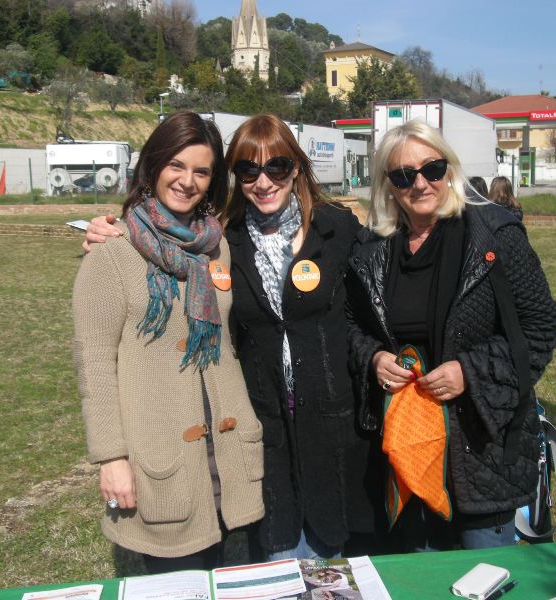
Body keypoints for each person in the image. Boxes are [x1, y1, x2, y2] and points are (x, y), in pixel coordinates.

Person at [83, 114, 376, 561]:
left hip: (323, 429)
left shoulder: (326, 230)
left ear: (296, 166)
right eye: (248, 170)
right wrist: (111, 456)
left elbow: (375, 302)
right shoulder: (225, 241)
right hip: (256, 428)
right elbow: (95, 362)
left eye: (277, 166)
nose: (264, 181)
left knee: (329, 569)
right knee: (269, 564)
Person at [345, 120, 556, 551]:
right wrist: (374, 359)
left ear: (450, 169)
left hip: (480, 443)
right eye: (404, 175)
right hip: (408, 443)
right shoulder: (372, 248)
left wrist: (468, 372)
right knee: (422, 572)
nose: (420, 183)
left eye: (432, 169)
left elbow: (538, 330)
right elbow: (350, 326)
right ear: (388, 184)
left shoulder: (495, 234)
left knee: (486, 572)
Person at [72, 111, 264, 574]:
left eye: (201, 171)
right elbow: (94, 365)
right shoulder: (112, 253)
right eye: (176, 165)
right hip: (161, 452)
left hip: (224, 452)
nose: (187, 181)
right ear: (153, 165)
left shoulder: (217, 246)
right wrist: (111, 458)